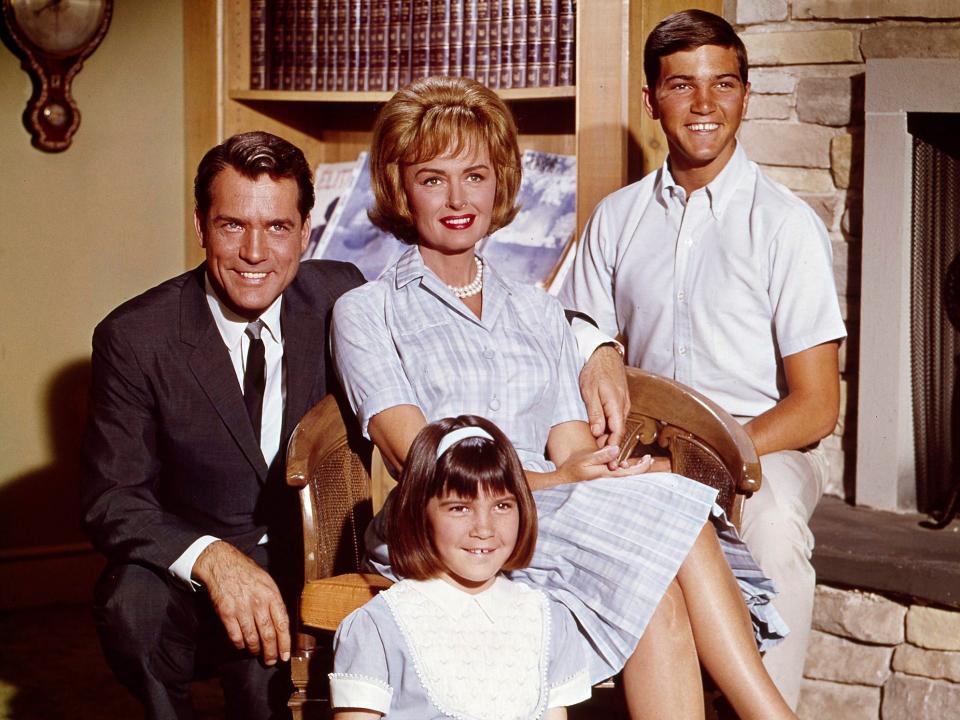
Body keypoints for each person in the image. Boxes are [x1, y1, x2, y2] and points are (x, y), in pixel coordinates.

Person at [331, 75, 797, 719]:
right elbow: (418, 455)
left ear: (500, 183)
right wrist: (557, 480)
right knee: (666, 535)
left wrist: (604, 469)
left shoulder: (538, 309)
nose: (458, 197)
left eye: (476, 174)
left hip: (550, 508)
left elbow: (570, 442)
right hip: (445, 516)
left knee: (653, 579)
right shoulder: (368, 310)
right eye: (433, 178)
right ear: (400, 189)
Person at [558, 10, 848, 708]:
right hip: (642, 448)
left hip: (763, 447)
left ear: (746, 96)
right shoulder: (617, 219)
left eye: (723, 84)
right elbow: (572, 327)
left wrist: (711, 460)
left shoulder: (784, 226)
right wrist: (596, 347)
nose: (704, 104)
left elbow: (817, 406)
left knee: (774, 530)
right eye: (681, 85)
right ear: (651, 100)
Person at [81, 131, 365, 719]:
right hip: (197, 573)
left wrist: (585, 340)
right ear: (201, 226)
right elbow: (113, 499)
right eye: (233, 225)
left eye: (278, 228)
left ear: (306, 230)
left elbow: (454, 304)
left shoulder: (343, 294)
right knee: (130, 602)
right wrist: (211, 557)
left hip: (310, 561)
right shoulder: (136, 337)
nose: (255, 252)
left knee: (265, 703)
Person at [329, 416, 593, 719]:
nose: (484, 528)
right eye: (459, 508)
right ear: (420, 514)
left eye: (502, 506)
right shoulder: (379, 626)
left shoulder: (548, 620)